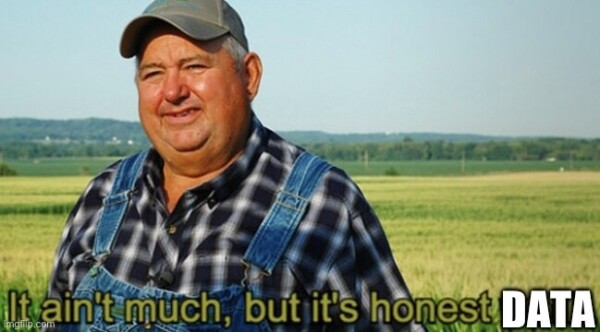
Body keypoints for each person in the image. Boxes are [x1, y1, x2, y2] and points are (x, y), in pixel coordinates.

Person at [46, 0, 424, 331]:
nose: (173, 91)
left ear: (250, 76)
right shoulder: (102, 197)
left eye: (194, 66)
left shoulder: (325, 205)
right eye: (153, 73)